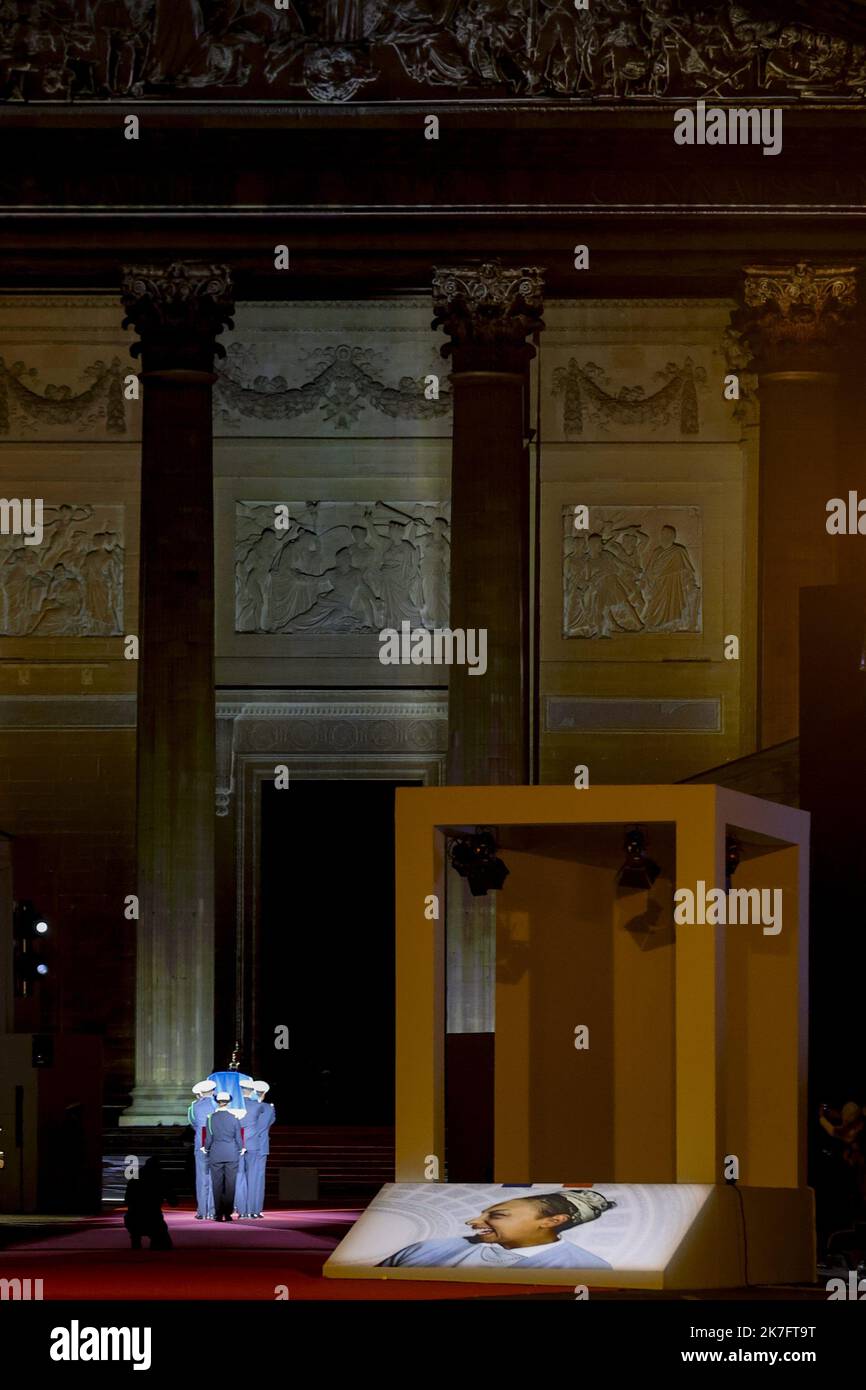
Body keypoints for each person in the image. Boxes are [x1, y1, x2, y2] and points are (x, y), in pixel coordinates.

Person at [378, 1190, 616, 1269]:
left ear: (552, 1221)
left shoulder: (588, 1267)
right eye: (483, 1213)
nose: (473, 1221)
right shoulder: (425, 1249)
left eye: (497, 1215)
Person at [205, 1091, 245, 1222]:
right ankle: (227, 1214)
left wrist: (206, 1148)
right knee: (230, 1185)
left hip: (216, 1153)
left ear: (217, 1101)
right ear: (228, 1102)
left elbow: (209, 1137)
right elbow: (238, 1137)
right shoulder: (234, 1118)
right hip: (231, 1153)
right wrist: (241, 1148)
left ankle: (218, 1214)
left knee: (216, 1185)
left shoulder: (211, 1118)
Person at [123, 1155, 175, 1250]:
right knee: (164, 1244)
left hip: (133, 1219)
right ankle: (154, 1240)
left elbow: (126, 1200)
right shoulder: (161, 1179)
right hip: (154, 1219)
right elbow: (174, 1202)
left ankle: (136, 1238)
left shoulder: (134, 1179)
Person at [188, 1080, 216, 1220]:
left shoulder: (193, 1106)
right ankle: (212, 1210)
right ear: (213, 1091)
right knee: (214, 1177)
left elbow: (193, 1123)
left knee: (201, 1178)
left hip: (200, 1143)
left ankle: (202, 1211)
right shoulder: (217, 1104)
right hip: (216, 1144)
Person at [250, 1080, 275, 1218]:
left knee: (244, 1177)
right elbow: (270, 1122)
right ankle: (257, 1209)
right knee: (259, 1179)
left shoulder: (246, 1107)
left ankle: (243, 1206)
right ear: (264, 1094)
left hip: (247, 1145)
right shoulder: (269, 1108)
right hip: (261, 1146)